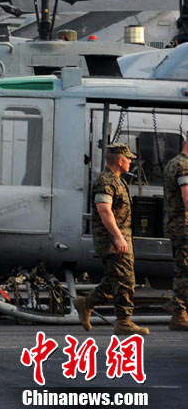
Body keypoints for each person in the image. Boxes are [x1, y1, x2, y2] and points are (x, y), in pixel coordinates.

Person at [74, 142, 149, 335]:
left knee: (116, 279)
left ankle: (86, 302)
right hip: (112, 240)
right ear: (119, 160)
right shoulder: (106, 181)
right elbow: (104, 210)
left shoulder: (117, 180)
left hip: (121, 238)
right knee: (125, 280)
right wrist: (117, 237)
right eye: (129, 159)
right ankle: (123, 321)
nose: (131, 162)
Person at [163, 135, 188, 331]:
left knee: (182, 268)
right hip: (184, 226)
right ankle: (179, 313)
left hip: (175, 224)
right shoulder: (184, 166)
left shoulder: (173, 163)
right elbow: (187, 197)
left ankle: (176, 304)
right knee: (185, 270)